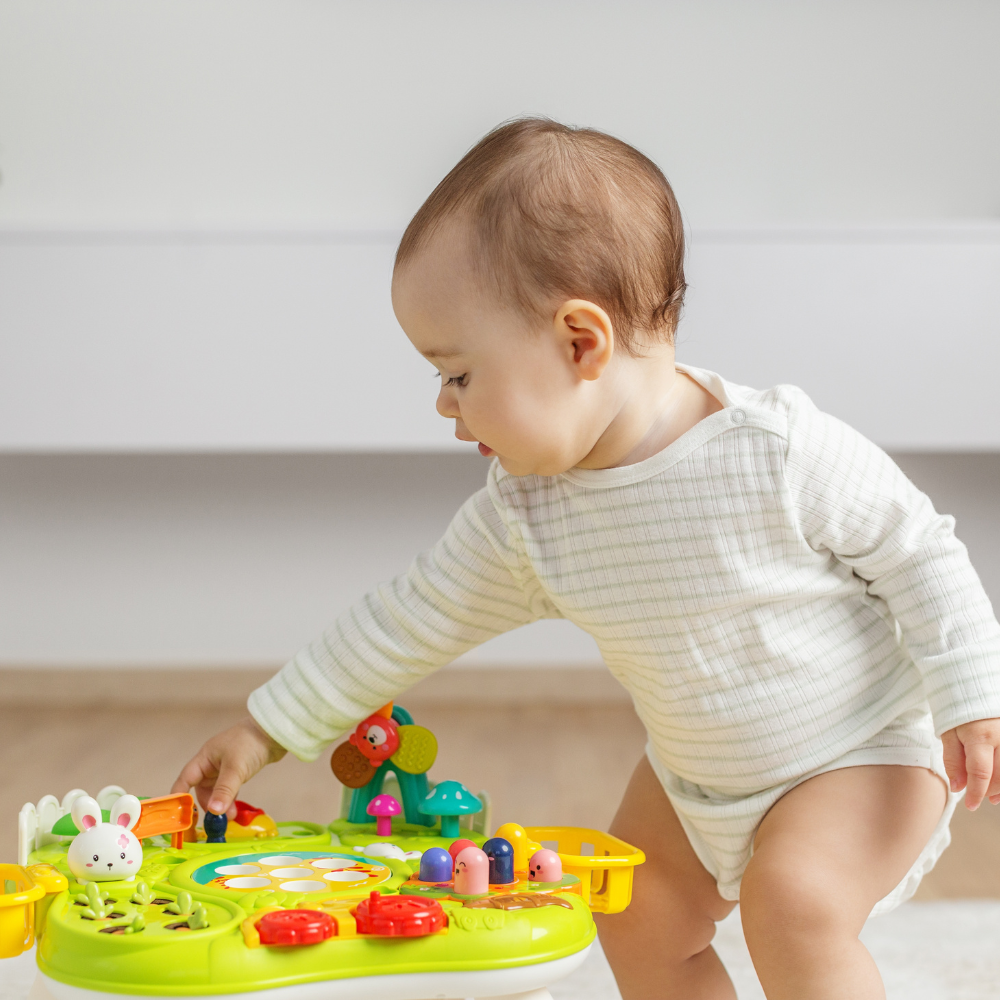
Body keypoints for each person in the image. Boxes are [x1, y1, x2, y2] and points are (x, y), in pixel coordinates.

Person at [173, 118, 1000, 999]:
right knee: (634, 914)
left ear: (580, 342)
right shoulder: (527, 516)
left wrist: (971, 694)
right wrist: (266, 728)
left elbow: (919, 551)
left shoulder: (776, 450)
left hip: (862, 749)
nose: (446, 408)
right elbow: (403, 620)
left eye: (458, 375)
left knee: (792, 905)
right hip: (699, 780)